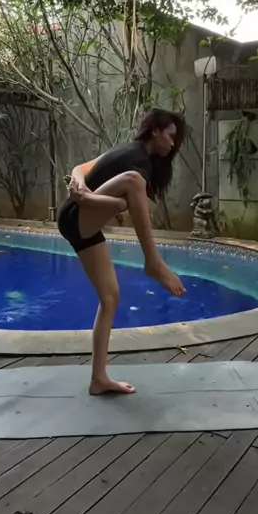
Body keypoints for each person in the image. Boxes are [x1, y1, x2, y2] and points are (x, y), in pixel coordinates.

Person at [57, 108, 187, 395]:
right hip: (74, 215)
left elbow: (85, 173)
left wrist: (107, 202)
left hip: (85, 223)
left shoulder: (136, 157)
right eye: (170, 136)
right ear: (155, 131)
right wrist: (82, 189)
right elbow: (80, 169)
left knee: (110, 298)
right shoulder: (135, 157)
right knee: (133, 182)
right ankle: (153, 261)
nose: (173, 144)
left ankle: (98, 379)